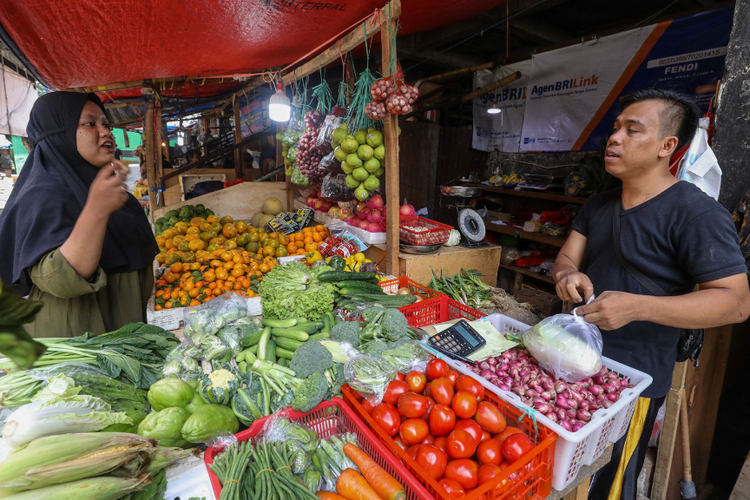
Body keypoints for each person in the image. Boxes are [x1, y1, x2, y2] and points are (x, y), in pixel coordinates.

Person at [552, 89, 750, 500]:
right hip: (570, 362)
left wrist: (638, 307)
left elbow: (736, 301)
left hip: (631, 382)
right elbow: (565, 259)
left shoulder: (696, 213)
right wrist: (567, 276)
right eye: (616, 128)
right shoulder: (600, 203)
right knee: (563, 475)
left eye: (632, 130)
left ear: (667, 146)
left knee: (609, 480)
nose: (615, 138)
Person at [0, 92, 158, 337]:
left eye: (106, 124)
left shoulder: (103, 186)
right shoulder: (42, 194)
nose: (105, 132)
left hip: (124, 334)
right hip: (81, 340)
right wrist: (95, 210)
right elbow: (60, 279)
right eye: (89, 123)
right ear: (58, 133)